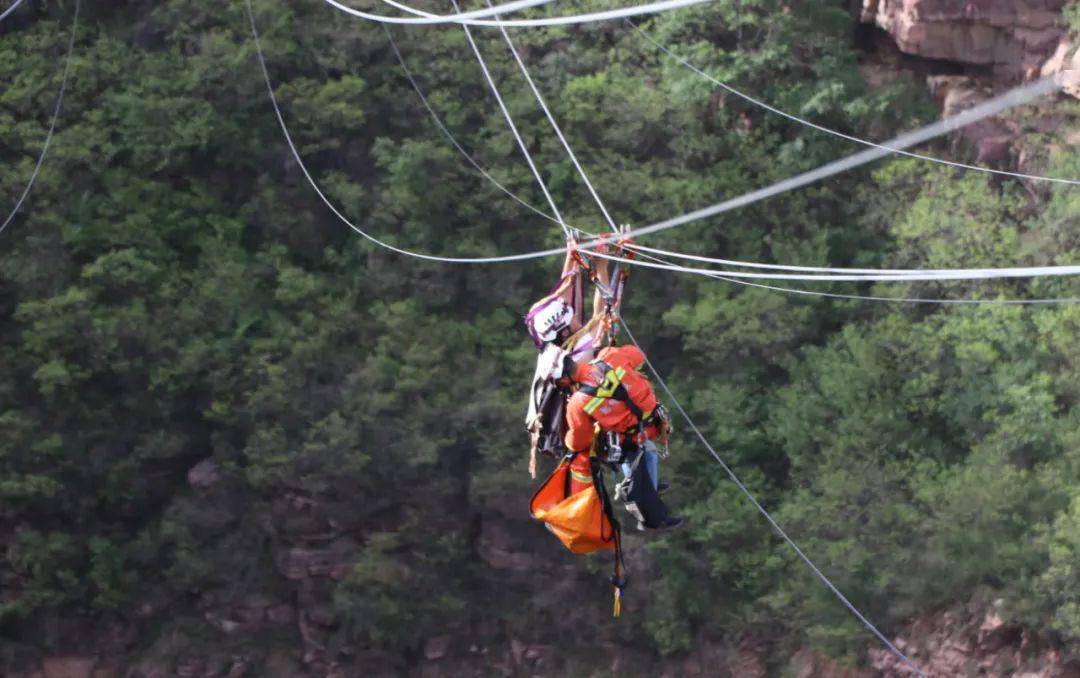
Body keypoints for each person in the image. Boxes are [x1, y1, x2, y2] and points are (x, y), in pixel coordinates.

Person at [557, 344, 683, 531]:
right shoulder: (611, 356)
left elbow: (579, 440)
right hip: (650, 424)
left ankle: (652, 516)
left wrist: (568, 441)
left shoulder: (578, 402)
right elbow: (638, 355)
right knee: (647, 455)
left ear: (565, 380)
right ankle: (650, 491)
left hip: (629, 438)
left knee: (639, 466)